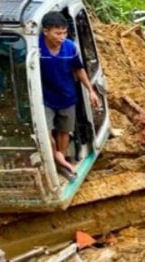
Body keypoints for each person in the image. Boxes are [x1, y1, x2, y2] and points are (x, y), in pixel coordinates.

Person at [39, 12, 100, 180]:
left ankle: (61, 159)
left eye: (64, 33)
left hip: (67, 97)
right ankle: (57, 157)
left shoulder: (70, 47)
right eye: (57, 33)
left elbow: (78, 69)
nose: (62, 37)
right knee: (46, 131)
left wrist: (90, 90)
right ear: (46, 31)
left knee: (64, 131)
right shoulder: (36, 49)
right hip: (44, 99)